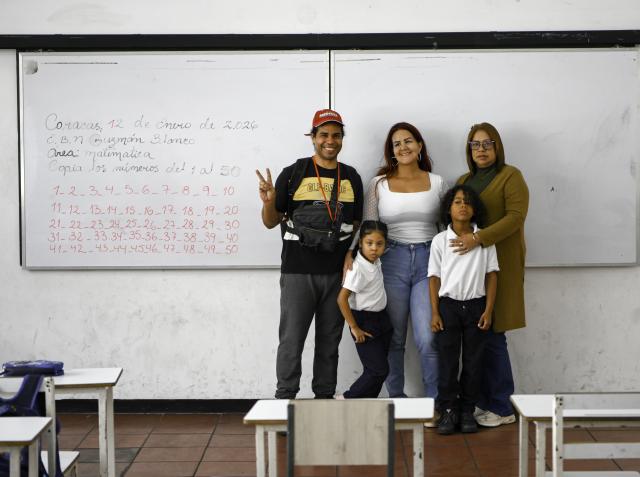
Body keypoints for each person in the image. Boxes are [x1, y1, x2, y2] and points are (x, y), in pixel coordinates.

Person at [256, 109, 363, 399]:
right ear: (313, 137)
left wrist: (351, 255)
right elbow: (270, 221)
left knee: (330, 342)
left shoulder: (351, 177)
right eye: (324, 134)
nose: (330, 140)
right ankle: (284, 400)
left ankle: (324, 399)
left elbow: (356, 226)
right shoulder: (293, 173)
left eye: (336, 135)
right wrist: (269, 201)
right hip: (297, 272)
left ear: (342, 139)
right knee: (292, 341)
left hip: (335, 275)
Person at [346, 122, 447, 400]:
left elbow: (445, 228)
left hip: (429, 262)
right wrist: (350, 253)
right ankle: (396, 399)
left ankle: (435, 403)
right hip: (391, 261)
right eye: (396, 144)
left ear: (419, 145)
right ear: (391, 151)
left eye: (408, 141)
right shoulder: (378, 184)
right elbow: (368, 225)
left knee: (428, 338)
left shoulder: (437, 182)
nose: (402, 147)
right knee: (394, 337)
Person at [453, 122, 529, 427]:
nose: (481, 150)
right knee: (477, 335)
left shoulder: (511, 176)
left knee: (495, 333)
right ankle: (483, 402)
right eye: (475, 144)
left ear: (497, 147)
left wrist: (478, 238)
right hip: (469, 269)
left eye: (487, 144)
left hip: (502, 264)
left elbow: (515, 218)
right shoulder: (464, 180)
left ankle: (502, 406)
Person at [428, 185, 499, 435]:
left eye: (468, 202)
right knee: (447, 362)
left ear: (474, 209)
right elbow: (434, 278)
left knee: (473, 361)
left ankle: (467, 410)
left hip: (476, 307)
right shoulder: (440, 240)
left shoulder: (484, 240)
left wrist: (488, 310)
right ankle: (448, 410)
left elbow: (492, 276)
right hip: (448, 307)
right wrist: (435, 312)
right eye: (457, 201)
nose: (462, 206)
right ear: (449, 208)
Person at [337, 220, 393, 398]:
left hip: (381, 320)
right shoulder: (357, 268)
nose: (374, 248)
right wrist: (354, 327)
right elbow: (341, 299)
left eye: (379, 244)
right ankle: (347, 398)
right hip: (364, 322)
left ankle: (367, 406)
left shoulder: (376, 262)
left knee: (376, 370)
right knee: (379, 371)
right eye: (369, 243)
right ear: (360, 243)